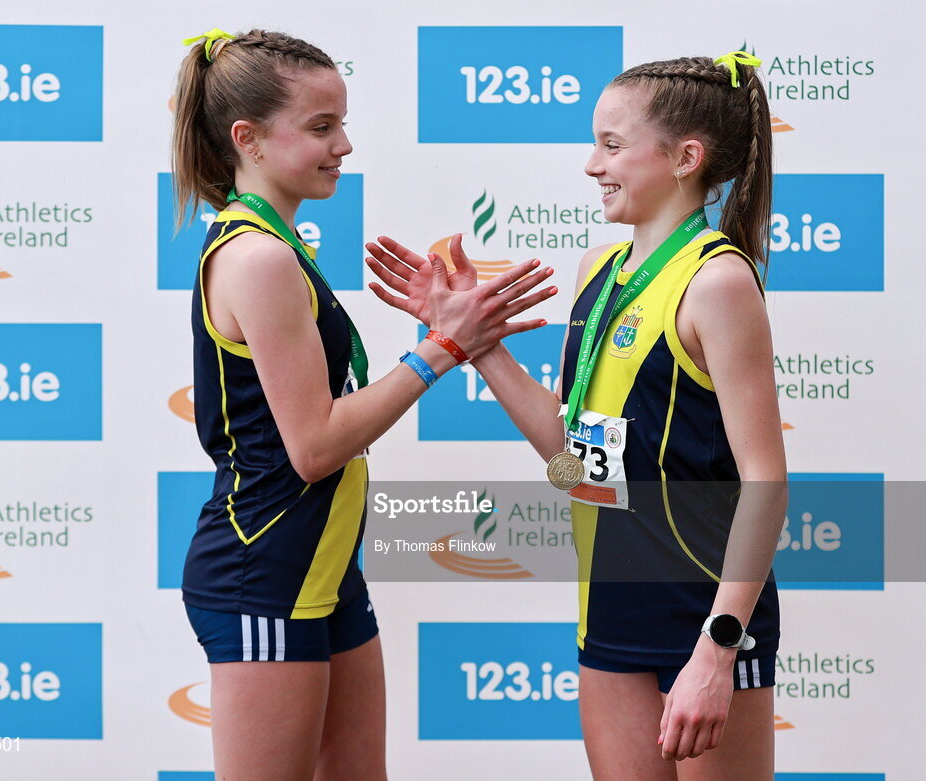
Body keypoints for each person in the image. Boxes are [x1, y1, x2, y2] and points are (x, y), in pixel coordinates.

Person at [367, 52, 785, 780]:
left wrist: (718, 651)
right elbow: (573, 458)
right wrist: (476, 345)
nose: (593, 164)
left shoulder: (717, 281)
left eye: (613, 145)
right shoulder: (601, 267)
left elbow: (765, 482)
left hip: (706, 622)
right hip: (612, 615)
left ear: (687, 158)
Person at [172, 27, 555, 781]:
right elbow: (314, 448)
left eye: (342, 123)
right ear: (246, 138)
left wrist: (463, 343)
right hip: (264, 570)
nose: (344, 144)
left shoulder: (281, 244)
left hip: (324, 567)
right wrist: (442, 347)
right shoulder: (259, 256)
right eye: (321, 127)